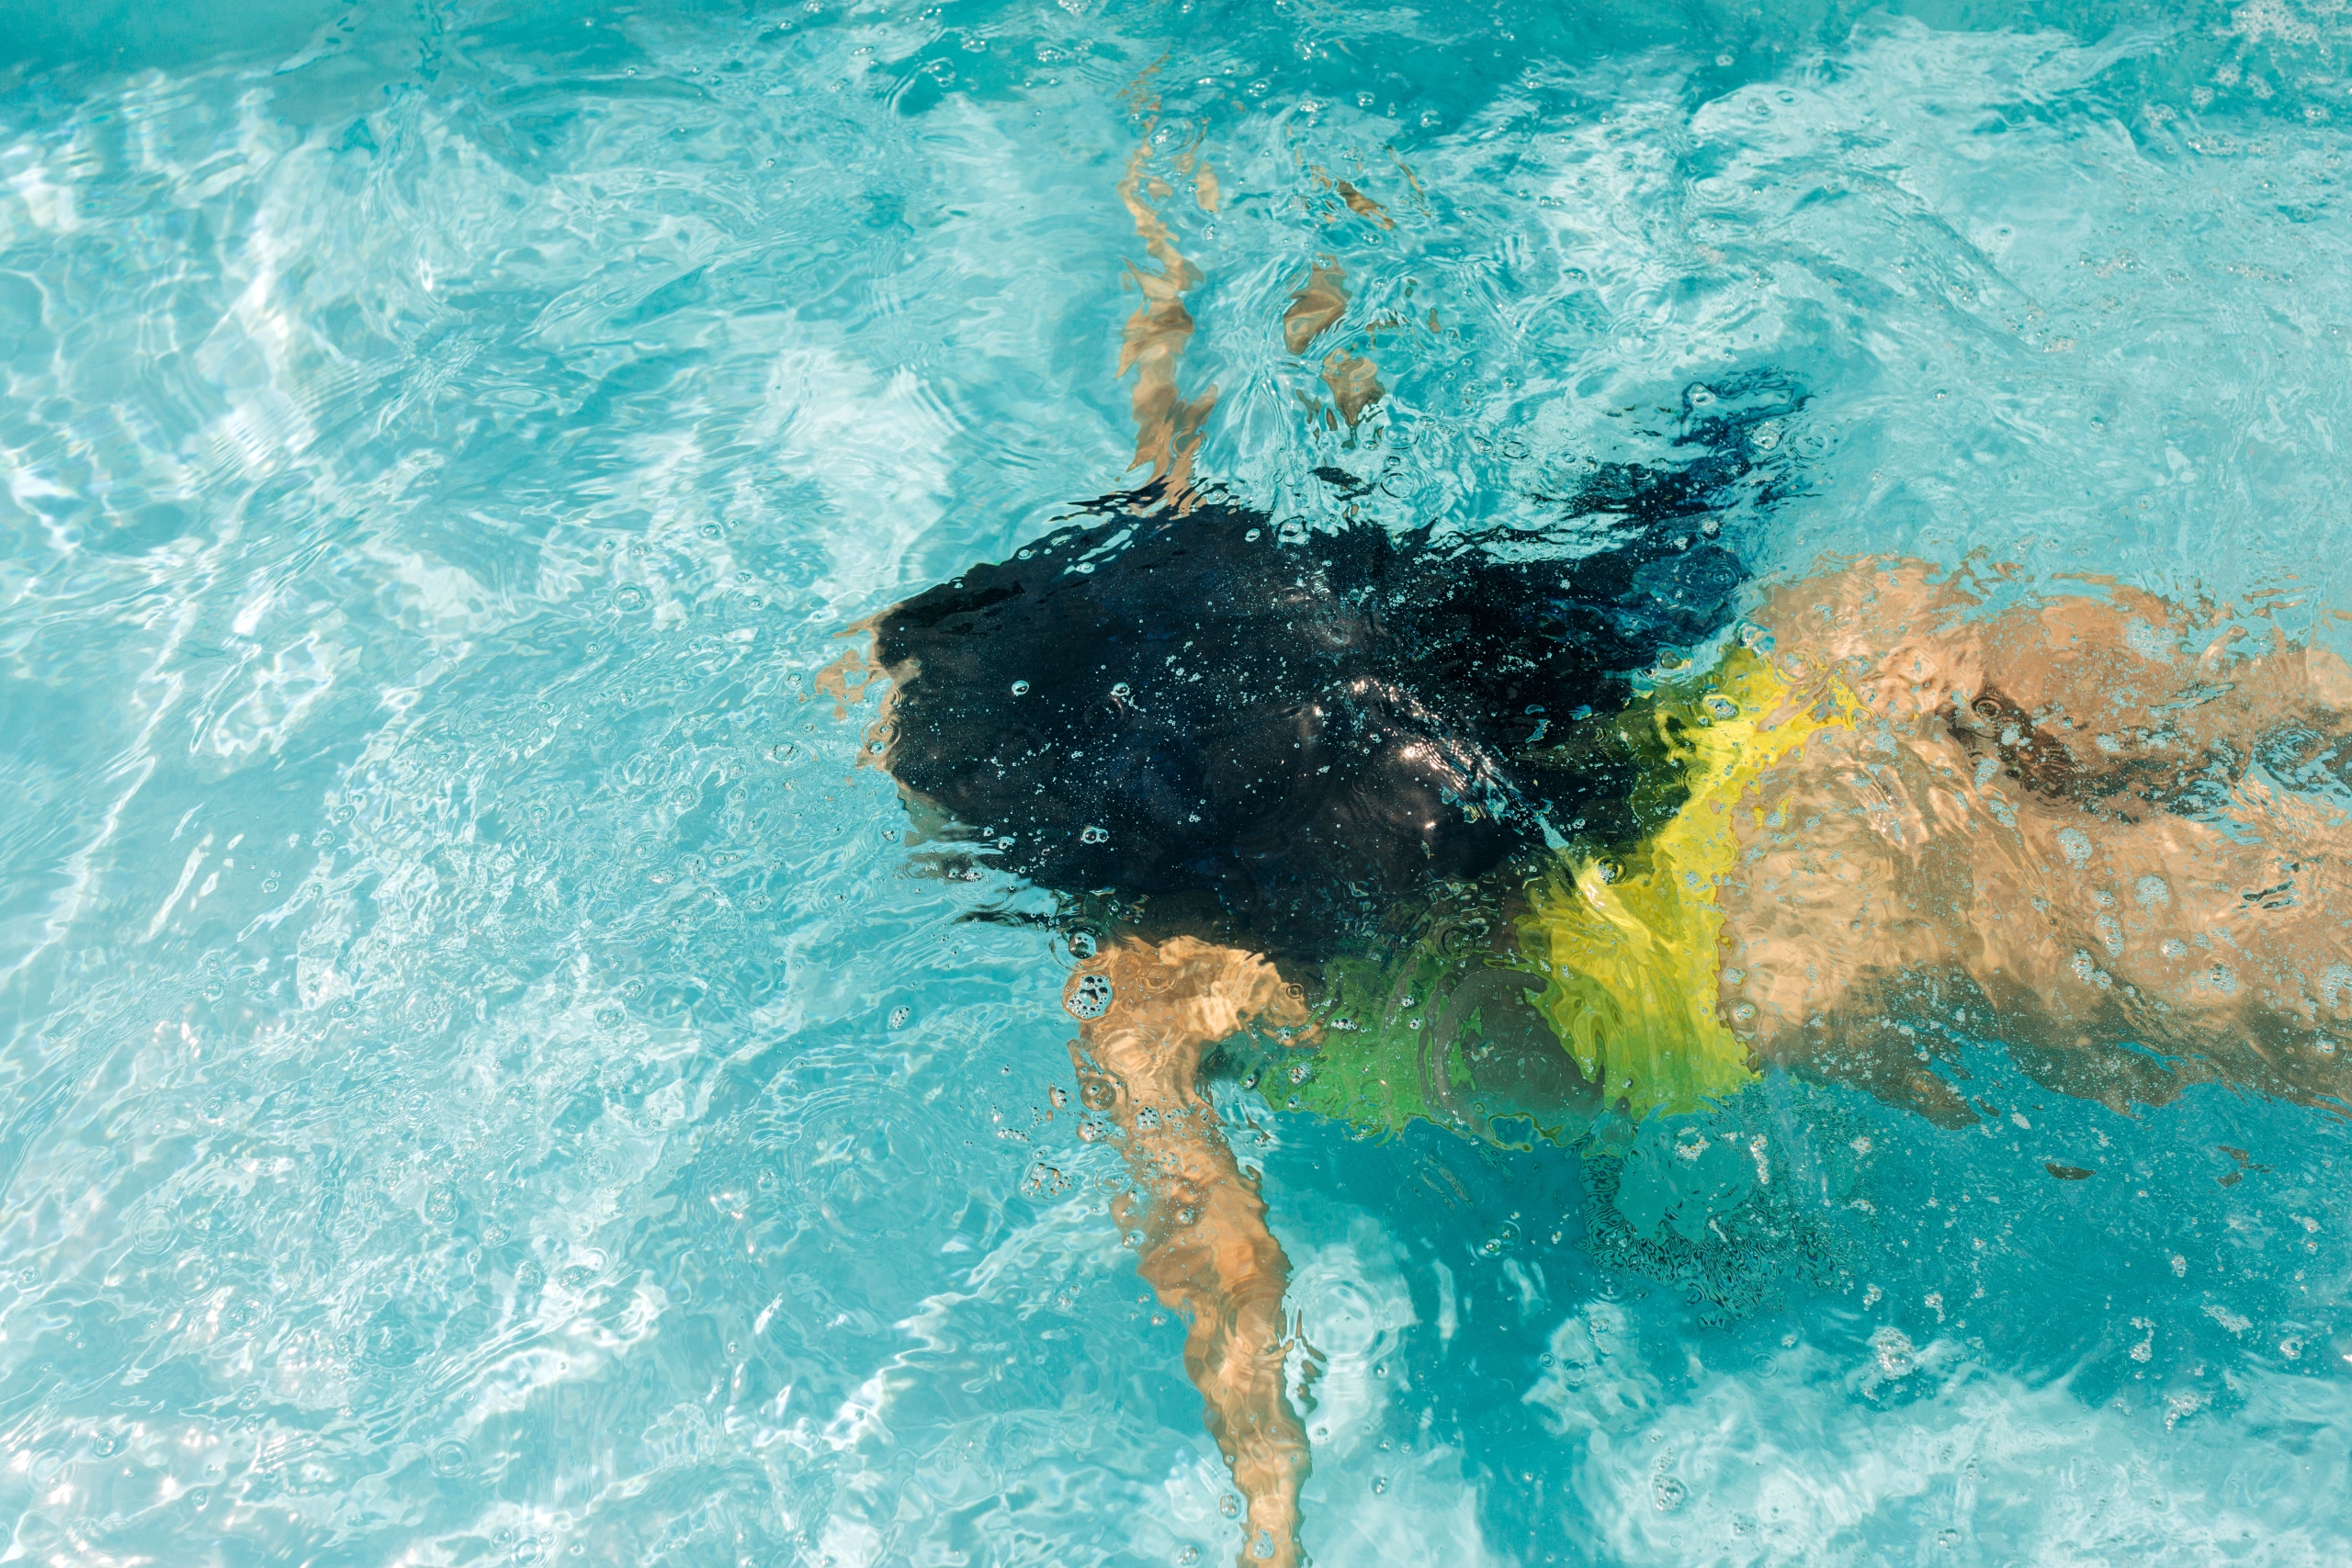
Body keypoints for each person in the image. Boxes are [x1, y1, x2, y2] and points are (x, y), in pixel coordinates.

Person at [836, 112, 2352, 1565]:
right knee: (2195, 705)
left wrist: (1269, 1520)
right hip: (1801, 667)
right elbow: (1188, 473)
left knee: (2227, 945)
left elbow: (1224, 1271)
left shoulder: (1156, 986)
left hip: (1768, 922)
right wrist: (1179, 234)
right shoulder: (1301, 626)